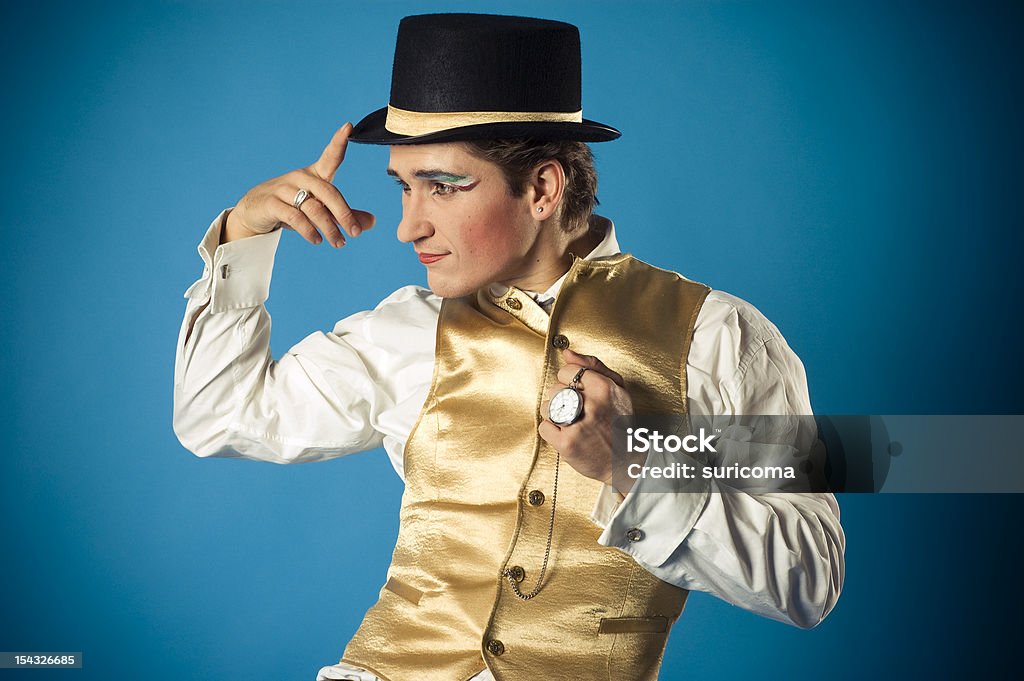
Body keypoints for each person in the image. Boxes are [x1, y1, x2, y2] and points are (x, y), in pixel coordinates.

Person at [173, 13, 844, 681]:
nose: (408, 226)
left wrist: (633, 461)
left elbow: (809, 577)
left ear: (543, 189)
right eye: (404, 187)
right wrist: (243, 241)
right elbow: (217, 417)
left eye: (443, 185)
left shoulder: (716, 340)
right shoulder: (408, 331)